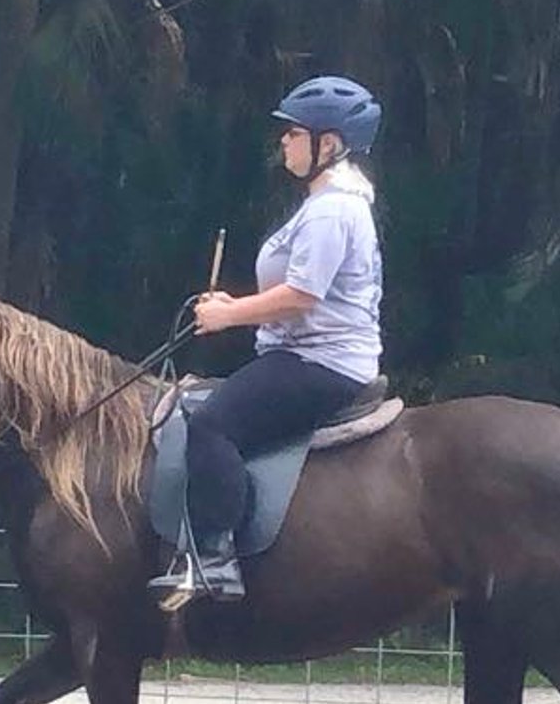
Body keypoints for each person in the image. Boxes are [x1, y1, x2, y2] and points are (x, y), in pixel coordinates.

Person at [149, 75, 384, 609]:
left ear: (330, 143)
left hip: (319, 361)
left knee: (211, 425)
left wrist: (230, 313)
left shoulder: (332, 210)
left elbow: (302, 295)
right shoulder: (329, 203)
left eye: (294, 133)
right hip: (306, 353)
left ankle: (215, 560)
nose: (284, 141)